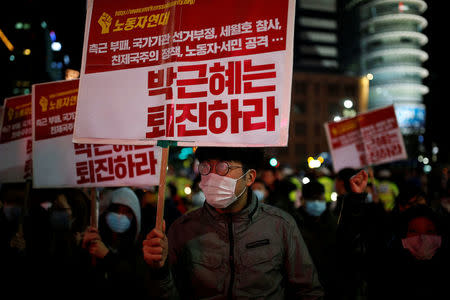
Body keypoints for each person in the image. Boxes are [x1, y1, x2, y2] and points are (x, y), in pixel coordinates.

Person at [143, 147, 324, 299]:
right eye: (206, 167)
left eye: (223, 167)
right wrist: (159, 271)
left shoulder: (280, 225)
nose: (212, 175)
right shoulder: (182, 229)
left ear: (250, 177)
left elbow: (307, 291)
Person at [82, 187, 148, 297]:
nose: (120, 215)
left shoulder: (140, 247)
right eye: (116, 209)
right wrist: (84, 249)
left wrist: (107, 256)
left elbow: (134, 281)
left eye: (127, 211)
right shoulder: (96, 239)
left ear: (135, 217)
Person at [297, 179, 341, 299]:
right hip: (305, 286)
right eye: (312, 199)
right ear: (303, 201)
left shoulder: (334, 222)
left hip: (331, 283)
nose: (316, 203)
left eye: (319, 199)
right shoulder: (294, 224)